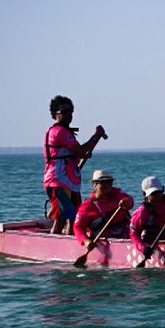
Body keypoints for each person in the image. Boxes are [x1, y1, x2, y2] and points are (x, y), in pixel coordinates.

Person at [43, 95, 107, 235]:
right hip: (57, 181)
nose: (69, 115)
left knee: (75, 217)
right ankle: (54, 247)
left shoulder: (66, 133)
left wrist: (89, 145)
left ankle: (70, 244)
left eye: (71, 111)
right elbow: (81, 150)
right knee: (62, 216)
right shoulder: (59, 132)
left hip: (70, 181)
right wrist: (96, 136)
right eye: (64, 112)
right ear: (55, 115)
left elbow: (81, 153)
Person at [129, 176, 165, 255]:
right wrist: (143, 248)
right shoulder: (140, 213)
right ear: (144, 193)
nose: (158, 195)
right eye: (153, 193)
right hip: (151, 243)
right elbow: (134, 235)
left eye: (160, 191)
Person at [73, 169, 134, 245]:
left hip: (124, 238)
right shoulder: (88, 205)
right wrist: (85, 241)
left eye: (109, 182)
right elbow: (78, 227)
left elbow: (130, 201)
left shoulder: (117, 193)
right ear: (95, 185)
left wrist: (127, 202)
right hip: (101, 241)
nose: (107, 186)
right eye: (103, 183)